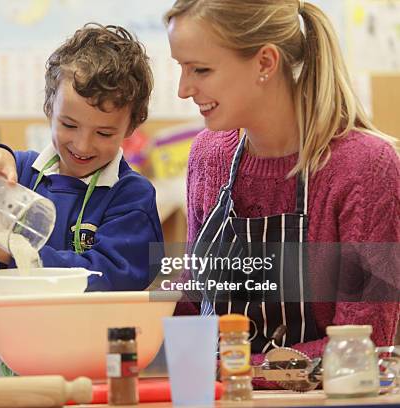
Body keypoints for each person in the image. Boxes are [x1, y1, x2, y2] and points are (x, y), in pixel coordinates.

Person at [164, 0, 400, 370]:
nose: (183, 89)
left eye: (201, 69)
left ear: (265, 62)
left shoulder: (365, 168)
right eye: (181, 68)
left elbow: (363, 344)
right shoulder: (209, 156)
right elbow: (193, 300)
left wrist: (240, 368)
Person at [0, 23, 163, 377]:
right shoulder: (18, 173)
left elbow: (111, 278)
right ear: (49, 107)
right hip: (16, 361)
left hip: (95, 364)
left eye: (104, 133)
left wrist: (17, 252)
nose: (82, 144)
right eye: (69, 124)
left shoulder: (132, 196)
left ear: (132, 127)